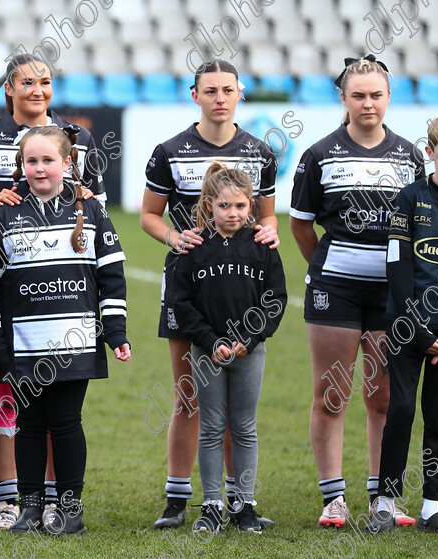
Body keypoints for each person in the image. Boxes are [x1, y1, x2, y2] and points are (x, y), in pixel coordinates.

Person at [0, 52, 107, 529]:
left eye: (45, 82)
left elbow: (96, 202)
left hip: (61, 290)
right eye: (26, 82)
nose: (36, 90)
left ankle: (56, 501)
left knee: (58, 403)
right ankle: (8, 498)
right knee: (6, 392)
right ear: (9, 89)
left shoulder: (77, 139)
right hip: (2, 285)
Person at [139, 59, 279, 530]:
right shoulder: (169, 151)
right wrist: (175, 238)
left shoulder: (260, 152)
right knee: (190, 398)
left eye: (228, 89)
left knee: (234, 408)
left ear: (240, 94)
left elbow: (270, 218)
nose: (220, 97)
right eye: (210, 90)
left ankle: (235, 502)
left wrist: (269, 235)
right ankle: (179, 498)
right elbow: (149, 217)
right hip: (188, 290)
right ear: (194, 95)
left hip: (240, 290)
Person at [0, 125, 130, 536]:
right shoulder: (3, 214)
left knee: (65, 423)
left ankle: (70, 509)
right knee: (27, 425)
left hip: (74, 344)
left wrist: (115, 332)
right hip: (23, 346)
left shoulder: (92, 210)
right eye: (31, 161)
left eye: (48, 160)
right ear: (20, 166)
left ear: (67, 163)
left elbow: (111, 275)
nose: (39, 169)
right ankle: (29, 508)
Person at [290, 55, 424, 528]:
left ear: (389, 98)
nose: (368, 104)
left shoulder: (410, 156)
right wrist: (330, 270)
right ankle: (334, 498)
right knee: (331, 394)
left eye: (377, 95)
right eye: (358, 95)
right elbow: (301, 227)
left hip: (393, 296)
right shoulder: (319, 154)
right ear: (343, 98)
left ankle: (382, 498)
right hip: (335, 292)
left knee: (383, 398)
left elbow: (417, 229)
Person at [173, 163, 287, 533]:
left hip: (249, 352)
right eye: (224, 206)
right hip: (207, 353)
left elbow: (275, 299)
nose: (232, 213)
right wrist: (211, 342)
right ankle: (211, 505)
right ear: (209, 206)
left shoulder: (262, 245)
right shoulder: (193, 247)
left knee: (244, 427)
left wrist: (248, 340)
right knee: (210, 427)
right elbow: (182, 303)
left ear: (251, 204)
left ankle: (244, 505)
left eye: (240, 206)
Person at [364, 109, 438, 534]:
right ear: (432, 152)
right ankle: (385, 501)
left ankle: (434, 506)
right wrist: (420, 331)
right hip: (406, 327)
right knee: (399, 409)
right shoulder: (409, 199)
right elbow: (396, 269)